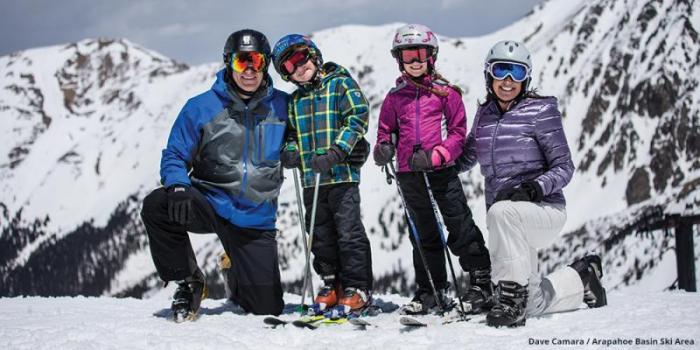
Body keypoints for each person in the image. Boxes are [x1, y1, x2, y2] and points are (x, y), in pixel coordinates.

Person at [456, 40, 607, 327]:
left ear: (528, 77)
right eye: (501, 70)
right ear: (489, 75)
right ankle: (584, 275)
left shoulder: (541, 111)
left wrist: (534, 188)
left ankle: (510, 300)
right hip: (508, 224)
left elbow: (565, 166)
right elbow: (466, 158)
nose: (509, 80)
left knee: (500, 212)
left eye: (517, 72)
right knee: (534, 303)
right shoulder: (484, 116)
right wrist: (434, 160)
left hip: (543, 211)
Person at [140, 29, 288, 322]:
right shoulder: (200, 107)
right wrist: (178, 186)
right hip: (209, 202)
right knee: (158, 205)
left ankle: (233, 269)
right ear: (227, 63)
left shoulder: (283, 106)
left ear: (266, 64)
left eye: (256, 61)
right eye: (240, 61)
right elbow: (174, 155)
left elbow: (313, 138)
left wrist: (351, 147)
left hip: (255, 216)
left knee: (265, 309)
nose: (248, 70)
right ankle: (188, 280)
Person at [373, 24, 492, 316]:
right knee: (422, 232)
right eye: (408, 55)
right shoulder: (394, 97)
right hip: (409, 174)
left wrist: (437, 155)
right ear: (399, 59)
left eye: (420, 53)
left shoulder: (445, 94)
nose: (415, 60)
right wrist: (384, 149)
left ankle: (481, 284)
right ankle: (431, 290)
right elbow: (385, 131)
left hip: (441, 172)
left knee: (459, 224)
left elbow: (457, 133)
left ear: (431, 56)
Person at [271, 34, 373, 315]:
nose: (298, 68)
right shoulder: (294, 101)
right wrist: (290, 150)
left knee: (349, 232)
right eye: (288, 67)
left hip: (341, 174)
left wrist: (338, 152)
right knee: (319, 233)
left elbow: (357, 116)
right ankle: (331, 282)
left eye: (300, 58)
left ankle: (357, 287)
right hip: (311, 179)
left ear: (313, 55)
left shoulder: (339, 84)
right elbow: (290, 132)